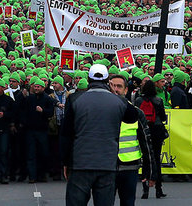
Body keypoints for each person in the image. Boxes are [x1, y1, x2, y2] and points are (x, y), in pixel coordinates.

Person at [61, 64, 138, 206]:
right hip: (107, 164)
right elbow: (133, 116)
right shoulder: (119, 101)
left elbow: (66, 134)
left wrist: (66, 162)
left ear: (89, 80)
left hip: (80, 163)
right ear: (108, 81)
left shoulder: (74, 99)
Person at [109, 74, 156, 206]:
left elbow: (146, 142)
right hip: (107, 166)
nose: (115, 89)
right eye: (112, 86)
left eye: (119, 86)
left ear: (125, 90)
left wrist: (150, 171)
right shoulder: (101, 112)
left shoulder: (136, 112)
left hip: (129, 166)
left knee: (128, 203)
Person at [134, 80, 168, 199]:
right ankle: (159, 189)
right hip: (157, 129)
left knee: (146, 158)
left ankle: (145, 190)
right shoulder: (159, 100)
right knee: (156, 159)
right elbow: (163, 117)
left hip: (144, 130)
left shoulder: (138, 100)